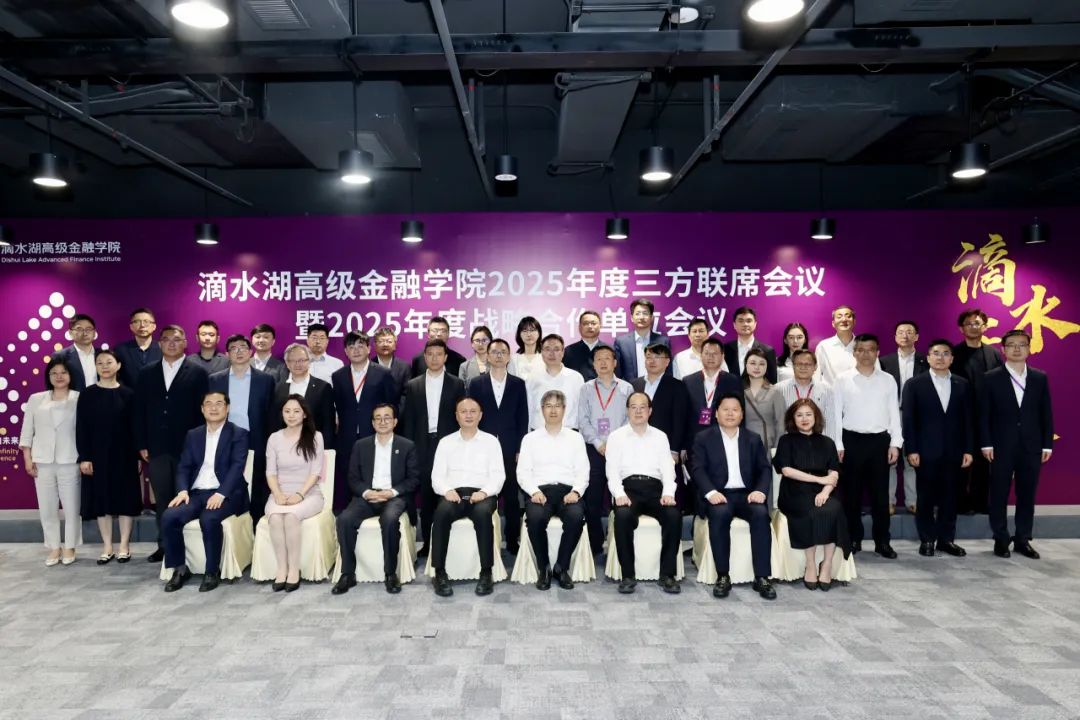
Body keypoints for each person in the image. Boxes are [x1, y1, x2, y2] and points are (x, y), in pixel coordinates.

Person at [133, 325, 209, 563]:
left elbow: (203, 412)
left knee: (188, 497)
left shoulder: (198, 373)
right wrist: (142, 443)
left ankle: (189, 547)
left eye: (177, 339)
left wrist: (201, 444)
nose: (171, 343)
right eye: (166, 339)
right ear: (160, 344)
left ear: (185, 343)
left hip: (188, 448)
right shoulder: (147, 373)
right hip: (156, 448)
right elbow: (139, 411)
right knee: (163, 499)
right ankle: (164, 545)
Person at [161, 391, 250, 593]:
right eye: (208, 404)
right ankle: (180, 569)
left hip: (227, 493)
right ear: (202, 409)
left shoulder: (239, 433)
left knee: (209, 518)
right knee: (169, 516)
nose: (213, 407)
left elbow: (237, 467)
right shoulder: (193, 435)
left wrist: (221, 494)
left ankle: (211, 572)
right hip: (197, 493)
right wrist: (182, 491)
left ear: (227, 408)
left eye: (219, 403)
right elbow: (184, 466)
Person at [692, 395, 776, 600]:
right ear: (716, 413)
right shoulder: (704, 438)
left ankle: (762, 577)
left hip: (747, 495)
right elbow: (698, 469)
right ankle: (723, 576)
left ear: (742, 414)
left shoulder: (752, 438)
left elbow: (764, 469)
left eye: (735, 409)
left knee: (760, 514)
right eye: (725, 409)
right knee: (720, 515)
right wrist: (711, 493)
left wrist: (760, 491)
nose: (730, 414)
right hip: (719, 494)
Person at [979, 330, 1053, 560]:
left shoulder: (1039, 377)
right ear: (1003, 349)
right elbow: (983, 414)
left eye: (1022, 344)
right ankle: (1001, 538)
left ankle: (1023, 539)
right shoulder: (990, 377)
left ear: (1029, 349)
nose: (1017, 349)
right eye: (1011, 345)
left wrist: (1047, 445)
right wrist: (986, 443)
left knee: (1027, 493)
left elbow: (1046, 413)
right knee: (999, 493)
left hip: (1031, 445)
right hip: (1000, 445)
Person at [333, 403, 419, 596]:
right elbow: (353, 478)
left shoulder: (407, 446)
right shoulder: (361, 445)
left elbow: (413, 479)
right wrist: (366, 493)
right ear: (372, 423)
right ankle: (347, 573)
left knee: (389, 520)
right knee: (344, 520)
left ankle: (390, 573)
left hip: (393, 497)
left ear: (395, 422)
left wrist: (392, 492)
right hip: (367, 497)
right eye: (378, 418)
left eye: (387, 417)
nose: (382, 421)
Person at [901, 339, 973, 558]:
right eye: (936, 353)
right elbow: (909, 420)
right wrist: (911, 449)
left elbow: (969, 420)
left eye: (945, 353)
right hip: (925, 452)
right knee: (925, 498)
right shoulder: (914, 384)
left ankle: (946, 540)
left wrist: (968, 449)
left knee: (950, 498)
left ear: (952, 358)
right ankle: (927, 539)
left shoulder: (962, 384)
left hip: (954, 451)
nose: (941, 357)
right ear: (928, 357)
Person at [429, 397, 506, 597]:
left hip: (482, 494)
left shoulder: (491, 442)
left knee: (482, 515)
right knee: (441, 513)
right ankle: (439, 572)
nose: (468, 415)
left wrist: (484, 492)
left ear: (480, 415)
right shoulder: (446, 442)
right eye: (463, 411)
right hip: (453, 494)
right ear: (456, 416)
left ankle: (486, 572)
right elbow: (437, 476)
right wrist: (447, 490)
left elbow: (498, 476)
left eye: (473, 411)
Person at [834, 334, 903, 558]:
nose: (865, 354)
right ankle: (853, 539)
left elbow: (894, 413)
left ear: (877, 352)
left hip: (879, 442)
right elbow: (835, 414)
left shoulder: (888, 380)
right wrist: (838, 443)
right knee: (851, 495)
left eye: (870, 349)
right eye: (861, 349)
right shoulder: (842, 379)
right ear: (854, 353)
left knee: (880, 497)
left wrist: (895, 443)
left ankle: (882, 542)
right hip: (851, 441)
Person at [605, 392, 680, 595]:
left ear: (650, 411)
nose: (638, 411)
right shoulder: (616, 437)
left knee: (673, 515)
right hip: (628, 489)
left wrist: (668, 493)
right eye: (633, 407)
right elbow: (612, 472)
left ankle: (667, 575)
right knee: (622, 516)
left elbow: (668, 469)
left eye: (643, 407)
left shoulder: (660, 436)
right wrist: (619, 494)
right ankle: (628, 575)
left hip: (655, 489)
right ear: (627, 410)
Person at [773, 399, 849, 591]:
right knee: (810, 511)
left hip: (823, 491)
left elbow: (834, 472)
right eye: (799, 415)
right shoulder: (786, 441)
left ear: (816, 417)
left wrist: (825, 491)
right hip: (794, 491)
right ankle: (810, 563)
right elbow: (786, 470)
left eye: (808, 414)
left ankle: (827, 564)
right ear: (792, 419)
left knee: (835, 509)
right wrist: (819, 480)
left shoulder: (827, 442)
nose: (804, 419)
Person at [518, 390, 590, 590]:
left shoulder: (575, 438)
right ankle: (544, 569)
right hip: (539, 492)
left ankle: (561, 567)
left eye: (557, 406)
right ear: (542, 410)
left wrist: (576, 492)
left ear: (564, 410)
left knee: (576, 516)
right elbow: (522, 472)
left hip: (568, 491)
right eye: (548, 406)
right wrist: (534, 492)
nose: (553, 410)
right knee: (535, 518)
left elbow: (583, 470)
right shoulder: (530, 439)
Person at [400, 339, 467, 554]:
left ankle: (447, 544)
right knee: (427, 495)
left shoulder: (457, 384)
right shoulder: (413, 385)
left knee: (448, 493)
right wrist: (409, 449)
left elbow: (462, 418)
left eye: (439, 354)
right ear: (424, 357)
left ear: (446, 357)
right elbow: (409, 420)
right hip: (421, 444)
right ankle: (428, 545)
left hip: (449, 445)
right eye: (430, 354)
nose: (435, 358)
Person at [76, 350, 141, 564]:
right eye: (100, 363)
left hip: (125, 455)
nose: (104, 366)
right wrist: (85, 457)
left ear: (118, 365)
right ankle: (107, 546)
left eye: (109, 362)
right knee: (101, 500)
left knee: (125, 499)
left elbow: (135, 428)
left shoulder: (129, 394)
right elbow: (82, 428)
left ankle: (124, 545)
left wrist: (138, 456)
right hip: (97, 455)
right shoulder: (87, 394)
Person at [467, 338, 529, 554]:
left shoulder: (518, 384)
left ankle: (512, 540)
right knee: (484, 493)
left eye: (503, 352)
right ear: (487, 355)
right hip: (483, 448)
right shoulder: (476, 383)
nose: (499, 355)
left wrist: (520, 448)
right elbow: (471, 415)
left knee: (511, 496)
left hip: (511, 448)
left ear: (509, 356)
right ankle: (484, 540)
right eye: (494, 352)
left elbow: (523, 418)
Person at [20, 358, 81, 566]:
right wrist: (27, 458)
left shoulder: (79, 398)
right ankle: (54, 547)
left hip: (70, 459)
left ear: (70, 375)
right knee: (47, 508)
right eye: (54, 373)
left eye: (63, 372)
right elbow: (27, 430)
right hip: (42, 461)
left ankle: (70, 546)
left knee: (72, 507)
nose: (59, 376)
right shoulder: (36, 399)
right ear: (48, 376)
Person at [209, 334, 275, 523]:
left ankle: (255, 525)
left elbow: (270, 414)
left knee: (257, 483)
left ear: (250, 351)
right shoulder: (215, 379)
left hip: (255, 438)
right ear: (226, 353)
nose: (238, 352)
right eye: (233, 348)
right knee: (225, 480)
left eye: (243, 348)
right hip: (225, 438)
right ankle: (230, 523)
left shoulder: (265, 380)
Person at [264, 395, 326, 592]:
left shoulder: (316, 437)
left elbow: (316, 472)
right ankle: (282, 569)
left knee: (291, 516)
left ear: (304, 414)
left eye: (296, 411)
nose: (291, 415)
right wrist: (277, 494)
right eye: (287, 411)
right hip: (280, 493)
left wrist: (300, 494)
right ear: (282, 414)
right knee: (275, 517)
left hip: (309, 493)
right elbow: (270, 472)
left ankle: (294, 570)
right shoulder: (274, 438)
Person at [578, 345, 634, 554]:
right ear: (593, 364)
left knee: (621, 496)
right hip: (594, 450)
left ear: (615, 363)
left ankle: (618, 543)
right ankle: (595, 544)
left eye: (607, 358)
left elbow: (630, 418)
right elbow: (582, 420)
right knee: (592, 499)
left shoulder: (626, 388)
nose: (603, 363)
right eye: (598, 359)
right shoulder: (586, 388)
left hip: (621, 451)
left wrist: (614, 443)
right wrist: (598, 443)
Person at [330, 332, 395, 511]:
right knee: (348, 477)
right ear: (345, 351)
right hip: (347, 437)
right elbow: (338, 406)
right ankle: (349, 515)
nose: (356, 350)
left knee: (373, 475)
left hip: (375, 434)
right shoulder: (338, 376)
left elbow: (391, 404)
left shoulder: (383, 373)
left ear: (368, 348)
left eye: (360, 346)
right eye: (351, 347)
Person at [952, 308, 1003, 515]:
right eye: (969, 323)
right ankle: (961, 503)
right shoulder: (953, 354)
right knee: (962, 461)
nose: (973, 327)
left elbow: (1001, 383)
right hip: (960, 416)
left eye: (977, 323)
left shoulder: (994, 354)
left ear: (985, 327)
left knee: (984, 462)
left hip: (988, 417)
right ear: (961, 328)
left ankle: (981, 502)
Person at [631, 343, 690, 509]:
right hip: (637, 445)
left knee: (667, 485)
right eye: (648, 357)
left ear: (667, 362)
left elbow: (680, 419)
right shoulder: (635, 385)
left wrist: (675, 450)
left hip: (666, 447)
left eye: (657, 357)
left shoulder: (677, 385)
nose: (652, 361)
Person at [880, 321, 929, 515]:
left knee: (912, 459)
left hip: (917, 417)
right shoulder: (884, 362)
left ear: (916, 336)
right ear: (895, 337)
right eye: (900, 332)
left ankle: (913, 501)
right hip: (890, 415)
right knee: (889, 460)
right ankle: (888, 502)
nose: (905, 335)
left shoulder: (926, 361)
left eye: (910, 332)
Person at [269, 343, 335, 449]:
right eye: (293, 360)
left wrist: (326, 448)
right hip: (284, 445)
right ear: (287, 363)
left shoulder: (323, 387)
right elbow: (273, 420)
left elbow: (328, 422)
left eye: (301, 360)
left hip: (313, 445)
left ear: (309, 361)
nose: (297, 364)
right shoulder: (278, 388)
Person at [775, 349, 842, 447]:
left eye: (808, 364)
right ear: (793, 366)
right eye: (799, 364)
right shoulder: (778, 389)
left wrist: (831, 446)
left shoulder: (826, 390)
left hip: (818, 444)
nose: (803, 367)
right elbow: (776, 421)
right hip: (789, 444)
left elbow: (830, 420)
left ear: (815, 367)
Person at [526, 334, 585, 430]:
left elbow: (582, 410)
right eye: (547, 349)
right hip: (539, 432)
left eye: (556, 349)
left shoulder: (576, 378)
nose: (551, 353)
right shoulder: (533, 378)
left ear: (563, 352)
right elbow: (528, 409)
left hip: (569, 433)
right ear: (541, 352)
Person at [741, 348, 786, 453]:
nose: (757, 367)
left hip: (767, 446)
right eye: (753, 363)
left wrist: (777, 450)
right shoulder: (738, 390)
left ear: (767, 367)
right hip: (743, 444)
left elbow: (781, 425)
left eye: (762, 364)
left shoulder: (775, 392)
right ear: (746, 365)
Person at [614, 298, 671, 381]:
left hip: (656, 387)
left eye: (645, 313)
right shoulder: (621, 342)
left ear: (651, 317)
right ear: (632, 318)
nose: (641, 317)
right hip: (630, 388)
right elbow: (617, 373)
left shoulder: (663, 341)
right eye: (638, 314)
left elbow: (668, 371)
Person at [723, 306, 778, 383]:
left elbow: (772, 381)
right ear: (734, 325)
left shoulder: (767, 351)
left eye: (749, 321)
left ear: (755, 324)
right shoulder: (724, 349)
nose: (745, 324)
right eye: (741, 321)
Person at [114, 307, 161, 387]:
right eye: (137, 322)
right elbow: (115, 378)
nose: (142, 325)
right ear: (131, 327)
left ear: (154, 326)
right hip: (129, 394)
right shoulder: (120, 350)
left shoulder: (163, 349)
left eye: (146, 321)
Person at [51, 313, 98, 391]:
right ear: (70, 333)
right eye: (79, 329)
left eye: (89, 329)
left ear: (94, 332)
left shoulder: (103, 355)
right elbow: (53, 386)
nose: (85, 333)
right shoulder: (60, 357)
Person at [815, 305, 859, 385]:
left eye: (848, 316)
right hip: (831, 392)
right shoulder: (824, 346)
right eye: (839, 317)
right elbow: (816, 375)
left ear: (854, 322)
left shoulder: (863, 345)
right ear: (833, 323)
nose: (844, 319)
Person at [373, 325, 413, 397]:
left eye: (389, 341)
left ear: (395, 345)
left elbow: (407, 394)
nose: (385, 344)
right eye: (381, 341)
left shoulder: (404, 367)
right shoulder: (368, 366)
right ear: (375, 345)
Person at [563, 310, 602, 381]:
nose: (590, 326)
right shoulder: (568, 351)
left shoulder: (610, 350)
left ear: (600, 326)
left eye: (593, 323)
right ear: (579, 327)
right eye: (586, 323)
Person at [509, 316, 545, 381]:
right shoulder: (514, 359)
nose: (529, 334)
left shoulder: (545, 357)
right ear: (519, 334)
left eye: (532, 330)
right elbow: (510, 382)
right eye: (525, 331)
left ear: (539, 333)